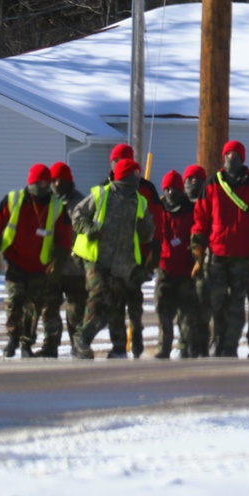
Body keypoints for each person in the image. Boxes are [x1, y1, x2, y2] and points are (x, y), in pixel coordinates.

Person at [191, 140, 249, 357]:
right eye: (228, 154)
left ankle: (230, 345)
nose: (231, 158)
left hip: (243, 254)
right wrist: (198, 246)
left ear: (242, 158)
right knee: (216, 303)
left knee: (236, 304)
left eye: (235, 154)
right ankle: (218, 339)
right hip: (217, 253)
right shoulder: (211, 183)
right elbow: (201, 217)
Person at [70, 159, 155, 359]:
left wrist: (146, 230)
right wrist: (89, 230)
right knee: (98, 297)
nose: (137, 179)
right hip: (97, 258)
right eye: (134, 174)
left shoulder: (140, 201)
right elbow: (77, 215)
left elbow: (147, 233)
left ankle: (118, 348)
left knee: (115, 304)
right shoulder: (102, 194)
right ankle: (82, 339)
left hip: (123, 264)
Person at [0, 164, 73, 358]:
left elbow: (65, 236)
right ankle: (12, 338)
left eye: (46, 182)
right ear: (31, 181)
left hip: (40, 267)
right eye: (39, 182)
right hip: (16, 261)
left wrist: (58, 263)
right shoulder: (13, 200)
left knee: (34, 308)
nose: (43, 186)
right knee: (15, 300)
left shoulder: (56, 206)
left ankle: (26, 344)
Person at [105, 143, 163, 358]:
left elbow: (158, 220)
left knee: (133, 300)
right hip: (112, 259)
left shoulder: (145, 188)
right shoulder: (105, 188)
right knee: (114, 304)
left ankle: (136, 335)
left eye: (122, 160)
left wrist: (154, 251)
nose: (118, 164)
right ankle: (119, 345)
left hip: (138, 256)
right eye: (115, 161)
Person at [153, 169, 198, 359]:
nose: (171, 192)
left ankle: (185, 347)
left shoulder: (190, 210)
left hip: (186, 270)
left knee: (186, 313)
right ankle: (163, 348)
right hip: (164, 268)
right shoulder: (158, 209)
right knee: (163, 311)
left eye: (174, 188)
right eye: (167, 188)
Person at [48, 161, 88, 354]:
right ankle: (51, 345)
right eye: (53, 180)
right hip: (53, 265)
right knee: (50, 308)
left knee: (77, 310)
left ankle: (77, 346)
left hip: (75, 267)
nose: (56, 184)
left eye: (60, 180)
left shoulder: (81, 203)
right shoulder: (47, 201)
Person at [181, 163, 210, 357]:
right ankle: (184, 347)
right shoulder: (175, 203)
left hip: (204, 264)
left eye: (197, 179)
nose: (193, 181)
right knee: (183, 311)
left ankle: (202, 348)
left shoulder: (207, 203)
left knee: (203, 309)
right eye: (190, 178)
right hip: (180, 265)